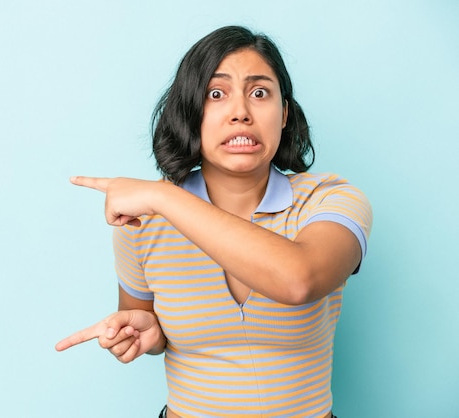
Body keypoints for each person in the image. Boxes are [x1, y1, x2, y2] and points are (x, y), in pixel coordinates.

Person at [55, 25, 372, 418]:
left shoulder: (330, 200)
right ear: (191, 112)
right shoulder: (142, 223)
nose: (240, 112)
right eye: (215, 94)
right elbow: (147, 325)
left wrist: (164, 195)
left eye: (259, 93)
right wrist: (148, 334)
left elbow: (299, 279)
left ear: (285, 113)